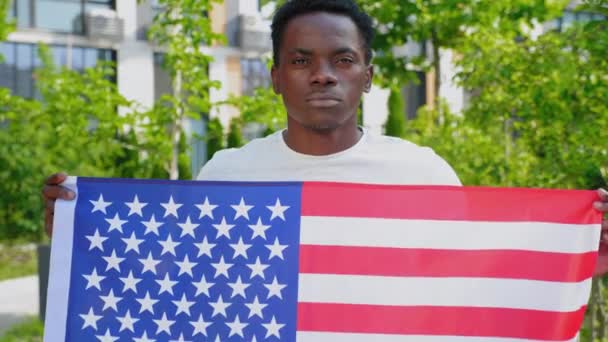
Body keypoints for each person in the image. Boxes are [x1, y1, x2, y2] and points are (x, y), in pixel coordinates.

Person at [42, 0, 608, 273]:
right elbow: (177, 281)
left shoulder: (423, 172)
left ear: (368, 74)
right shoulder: (225, 174)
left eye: (342, 59)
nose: (323, 74)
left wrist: (584, 252)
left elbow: (471, 280)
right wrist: (77, 233)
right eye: (300, 59)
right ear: (274, 77)